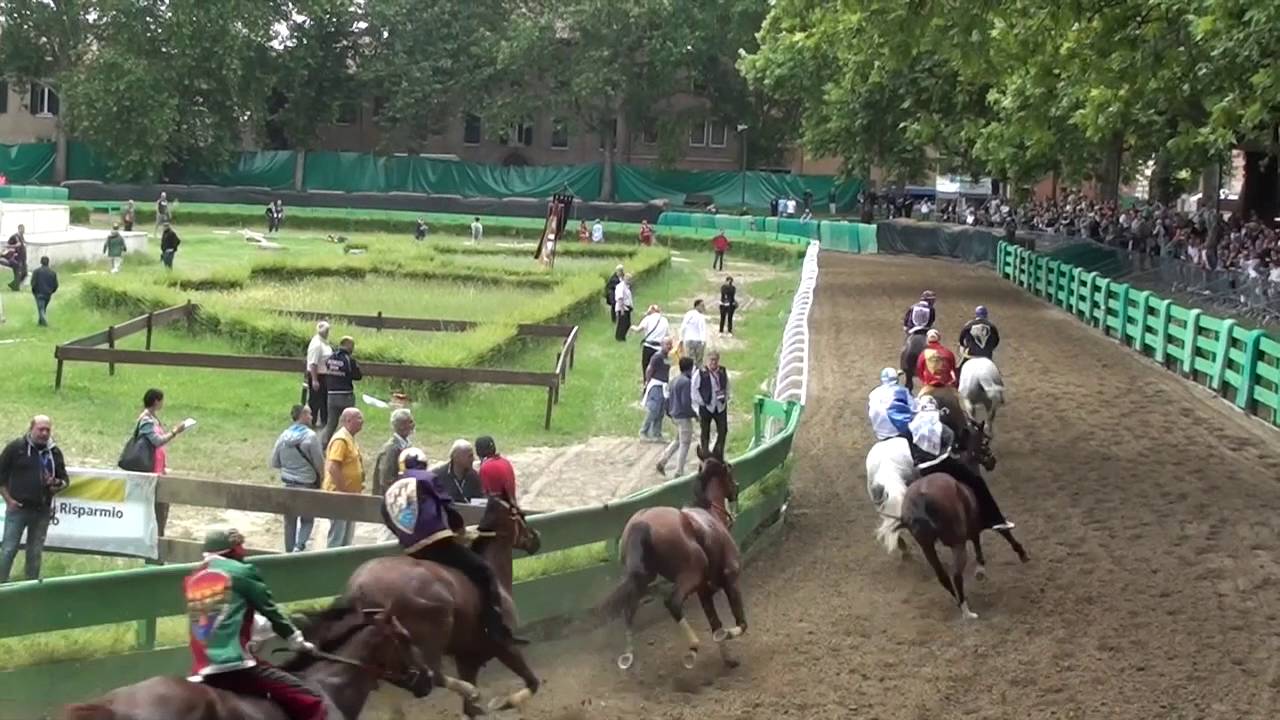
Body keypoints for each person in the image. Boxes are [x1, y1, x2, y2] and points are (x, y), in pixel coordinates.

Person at [381, 448, 524, 645]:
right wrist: (460, 530)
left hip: (411, 551)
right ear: (423, 464)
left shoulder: (390, 488)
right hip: (437, 543)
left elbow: (389, 519)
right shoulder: (428, 478)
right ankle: (495, 628)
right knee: (483, 571)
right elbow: (447, 506)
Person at [184, 528, 327, 720]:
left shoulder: (192, 579)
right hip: (235, 665)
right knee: (312, 701)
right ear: (231, 550)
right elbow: (271, 612)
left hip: (200, 669)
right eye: (240, 546)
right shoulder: (242, 572)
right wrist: (297, 642)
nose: (244, 552)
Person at [907, 396, 1015, 532]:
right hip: (943, 463)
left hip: (922, 469)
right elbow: (950, 440)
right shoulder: (940, 425)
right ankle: (995, 519)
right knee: (976, 482)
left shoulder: (911, 426)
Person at [0, 415, 69, 583]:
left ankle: (30, 586)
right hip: (18, 509)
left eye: (47, 430)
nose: (44, 433)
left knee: (35, 551)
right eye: (41, 429)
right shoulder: (16, 448)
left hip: (42, 511)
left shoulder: (54, 452)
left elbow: (65, 480)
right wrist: (9, 500)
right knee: (9, 549)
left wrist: (56, 484)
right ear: (31, 428)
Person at [270, 405, 325, 552]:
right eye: (310, 414)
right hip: (307, 484)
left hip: (288, 483)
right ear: (303, 415)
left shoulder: (283, 436)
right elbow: (319, 462)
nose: (312, 418)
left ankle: (288, 551)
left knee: (289, 520)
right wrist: (322, 478)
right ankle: (300, 546)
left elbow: (275, 461)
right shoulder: (311, 437)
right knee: (307, 518)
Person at [137, 388, 186, 534]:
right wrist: (175, 432)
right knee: (158, 504)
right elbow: (157, 441)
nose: (163, 403)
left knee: (163, 503)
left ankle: (158, 533)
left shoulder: (153, 418)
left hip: (158, 469)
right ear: (156, 401)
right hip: (150, 469)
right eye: (162, 400)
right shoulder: (146, 420)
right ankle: (156, 535)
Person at [322, 408, 364, 548]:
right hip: (339, 496)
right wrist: (343, 491)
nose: (362, 420)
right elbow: (333, 467)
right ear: (348, 420)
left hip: (350, 496)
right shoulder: (341, 439)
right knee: (337, 536)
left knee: (347, 538)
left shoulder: (350, 438)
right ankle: (331, 566)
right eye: (358, 417)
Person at [657, 357, 696, 476]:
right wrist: (695, 414)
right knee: (685, 443)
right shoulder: (686, 382)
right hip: (683, 416)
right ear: (690, 368)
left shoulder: (674, 380)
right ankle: (679, 470)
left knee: (677, 440)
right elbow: (686, 403)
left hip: (674, 414)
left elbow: (668, 397)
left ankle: (663, 460)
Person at [320, 336, 361, 447]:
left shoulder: (330, 358)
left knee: (331, 423)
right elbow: (358, 376)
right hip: (345, 395)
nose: (353, 348)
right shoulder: (349, 360)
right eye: (352, 346)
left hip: (331, 395)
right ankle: (347, 445)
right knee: (349, 423)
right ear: (348, 345)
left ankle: (322, 445)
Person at [691, 351, 729, 459]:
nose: (713, 362)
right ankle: (705, 454)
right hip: (706, 406)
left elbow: (727, 386)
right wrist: (701, 402)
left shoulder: (722, 371)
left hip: (720, 406)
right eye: (711, 360)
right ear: (707, 361)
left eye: (715, 360)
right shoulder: (701, 373)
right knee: (705, 431)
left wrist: (725, 399)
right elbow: (694, 389)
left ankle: (718, 452)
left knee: (723, 430)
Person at [372, 408, 416, 499]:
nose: (413, 425)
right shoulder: (391, 449)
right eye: (410, 422)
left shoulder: (406, 445)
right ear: (401, 425)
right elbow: (386, 480)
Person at [640, 338, 673, 441]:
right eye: (667, 344)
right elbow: (649, 369)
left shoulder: (667, 357)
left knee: (661, 411)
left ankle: (656, 433)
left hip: (663, 386)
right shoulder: (657, 356)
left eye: (670, 344)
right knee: (654, 409)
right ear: (662, 344)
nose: (669, 346)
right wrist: (647, 382)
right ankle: (644, 431)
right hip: (656, 385)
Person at [431, 439, 481, 503]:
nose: (473, 459)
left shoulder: (474, 476)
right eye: (470, 456)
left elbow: (479, 500)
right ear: (456, 457)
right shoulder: (438, 475)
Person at [304, 321, 332, 430]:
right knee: (315, 400)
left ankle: (324, 421)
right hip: (318, 375)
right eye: (325, 330)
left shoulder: (324, 342)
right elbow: (313, 363)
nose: (327, 333)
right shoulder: (316, 344)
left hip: (325, 375)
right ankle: (312, 421)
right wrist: (315, 380)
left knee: (324, 400)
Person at [631, 304, 669, 379]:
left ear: (651, 311)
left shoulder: (648, 319)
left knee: (646, 367)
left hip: (648, 347)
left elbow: (638, 329)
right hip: (659, 348)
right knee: (659, 368)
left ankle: (646, 383)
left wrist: (632, 327)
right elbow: (667, 335)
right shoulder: (665, 320)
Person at [30, 256, 57, 327]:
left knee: (41, 309)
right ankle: (40, 323)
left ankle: (45, 323)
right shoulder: (53, 273)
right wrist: (51, 291)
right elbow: (56, 285)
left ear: (41, 262)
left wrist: (34, 290)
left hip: (39, 293)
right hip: (48, 294)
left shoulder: (36, 271)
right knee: (43, 308)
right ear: (48, 262)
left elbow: (33, 283)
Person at [680, 299, 708, 366]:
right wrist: (681, 338)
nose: (703, 307)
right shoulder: (690, 314)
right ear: (697, 306)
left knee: (699, 361)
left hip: (699, 341)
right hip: (690, 340)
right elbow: (683, 326)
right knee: (691, 360)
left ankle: (697, 374)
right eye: (702, 305)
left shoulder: (701, 316)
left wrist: (703, 341)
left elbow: (702, 329)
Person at [4, 225, 27, 290]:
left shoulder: (22, 237)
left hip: (23, 258)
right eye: (22, 229)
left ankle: (13, 284)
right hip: (17, 258)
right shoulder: (14, 236)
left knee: (25, 273)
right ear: (19, 229)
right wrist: (15, 246)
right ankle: (15, 287)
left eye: (24, 229)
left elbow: (22, 246)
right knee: (18, 273)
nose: (24, 231)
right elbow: (7, 245)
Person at [614, 272, 633, 342]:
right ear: (625, 278)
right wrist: (622, 310)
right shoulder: (621, 286)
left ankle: (622, 337)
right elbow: (620, 298)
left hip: (627, 308)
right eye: (629, 279)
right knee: (622, 323)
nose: (630, 281)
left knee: (627, 323)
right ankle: (619, 338)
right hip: (622, 308)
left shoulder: (626, 287)